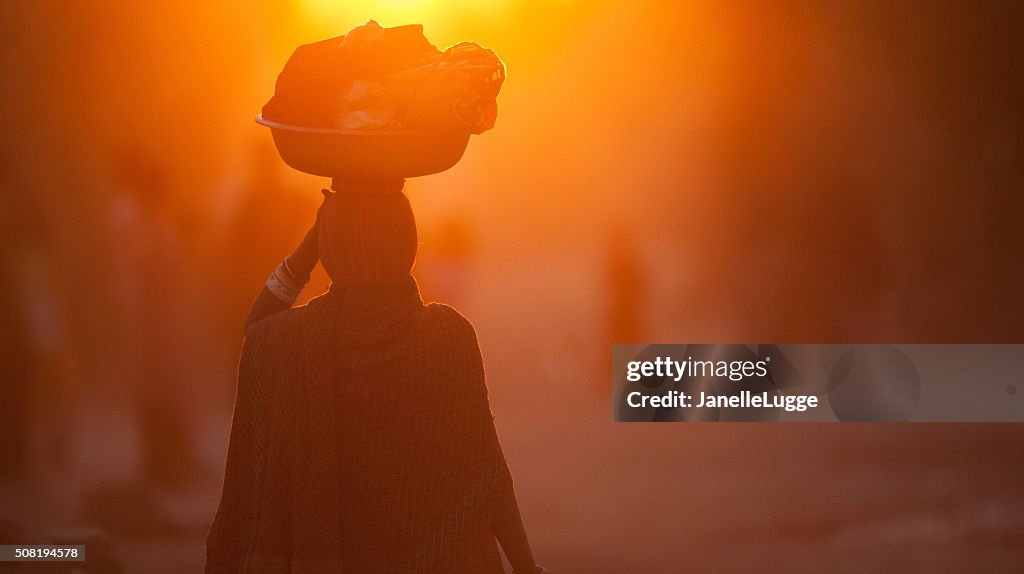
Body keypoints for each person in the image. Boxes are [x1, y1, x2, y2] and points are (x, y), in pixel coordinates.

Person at [205, 184, 544, 573]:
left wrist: (306, 252)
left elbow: (257, 327)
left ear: (328, 249)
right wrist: (527, 567)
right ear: (409, 242)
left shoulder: (293, 342)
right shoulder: (447, 336)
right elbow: (487, 472)